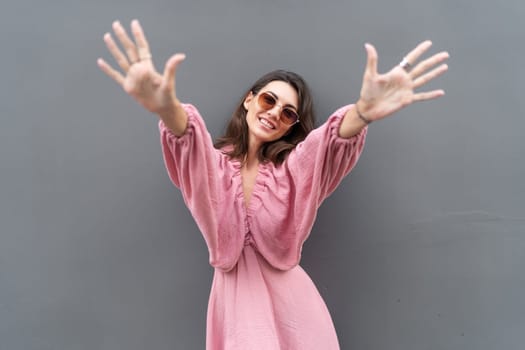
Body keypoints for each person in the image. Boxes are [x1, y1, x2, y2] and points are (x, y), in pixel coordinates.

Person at [97, 19, 449, 350]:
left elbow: (327, 143)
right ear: (250, 99)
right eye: (269, 99)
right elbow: (189, 139)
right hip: (233, 309)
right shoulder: (213, 165)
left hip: (296, 314)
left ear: (292, 125)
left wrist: (363, 112)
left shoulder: (294, 171)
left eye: (288, 112)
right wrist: (166, 107)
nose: (274, 113)